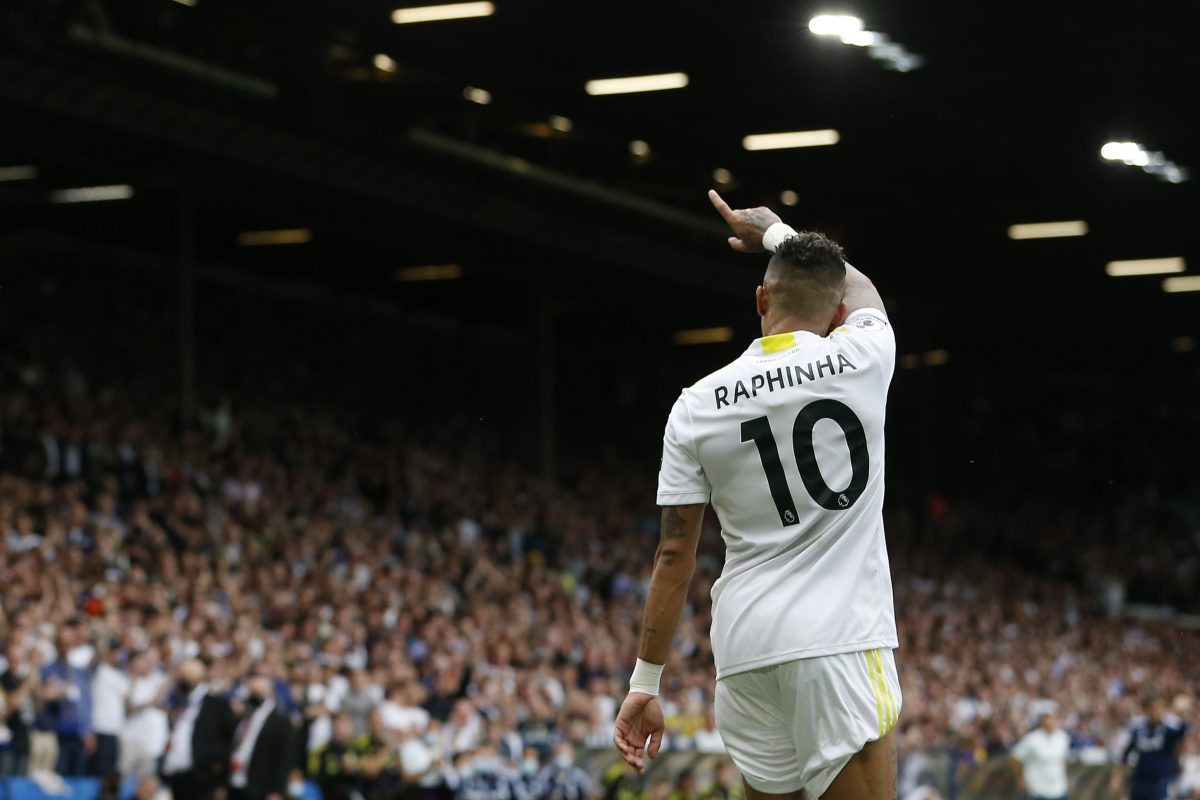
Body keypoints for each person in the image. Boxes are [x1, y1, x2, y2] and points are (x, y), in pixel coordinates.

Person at [614, 191, 901, 800]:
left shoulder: (696, 405)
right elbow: (865, 290)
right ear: (836, 313)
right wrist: (776, 233)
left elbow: (673, 556)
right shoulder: (864, 355)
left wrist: (645, 681)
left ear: (760, 301)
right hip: (838, 639)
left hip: (745, 649)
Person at [161, 660, 237, 800]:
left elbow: (228, 737)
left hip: (202, 777)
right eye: (181, 677)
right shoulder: (180, 700)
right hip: (177, 775)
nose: (184, 681)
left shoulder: (216, 702)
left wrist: (218, 774)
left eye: (189, 677)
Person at [1111, 695, 1191, 800]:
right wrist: (1117, 777)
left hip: (1162, 782)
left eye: (1160, 707)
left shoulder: (1169, 731)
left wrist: (1183, 713)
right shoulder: (1139, 731)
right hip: (1140, 781)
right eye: (1153, 708)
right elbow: (1126, 754)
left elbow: (1181, 739)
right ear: (1146, 710)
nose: (1157, 711)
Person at [228, 675, 294, 800]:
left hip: (260, 788)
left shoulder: (281, 721)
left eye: (258, 693)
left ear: (270, 693)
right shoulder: (244, 715)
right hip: (235, 783)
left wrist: (276, 791)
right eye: (251, 693)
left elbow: (285, 758)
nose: (254, 697)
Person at [1007, 712, 1070, 800]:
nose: (1050, 724)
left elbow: (1062, 759)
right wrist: (1020, 778)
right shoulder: (1032, 739)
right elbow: (1013, 757)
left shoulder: (1063, 737)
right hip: (1038, 789)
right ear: (1042, 723)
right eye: (1048, 722)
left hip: (1059, 789)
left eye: (1052, 721)